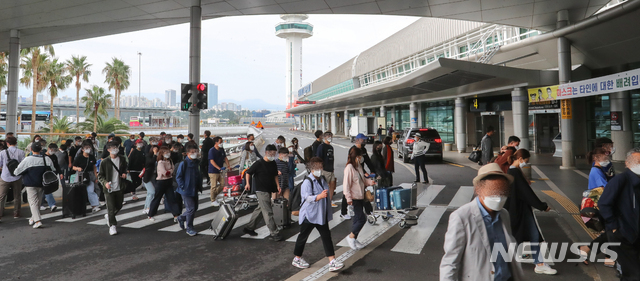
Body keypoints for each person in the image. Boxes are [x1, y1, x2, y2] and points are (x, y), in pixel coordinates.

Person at [440, 163, 524, 280]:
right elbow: (450, 263)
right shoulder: (461, 217)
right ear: (478, 190)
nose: (498, 197)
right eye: (493, 191)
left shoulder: (504, 214)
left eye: (502, 192)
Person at [504, 149, 556, 275]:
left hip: (518, 209)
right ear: (520, 159)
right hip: (518, 210)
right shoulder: (515, 173)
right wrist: (542, 206)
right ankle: (504, 262)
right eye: (526, 161)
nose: (526, 164)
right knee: (521, 236)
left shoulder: (513, 171)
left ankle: (539, 263)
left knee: (529, 234)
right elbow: (527, 193)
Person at [291, 156, 344, 272]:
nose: (319, 169)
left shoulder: (322, 179)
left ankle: (332, 261)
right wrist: (319, 197)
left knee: (326, 237)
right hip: (309, 215)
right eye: (317, 167)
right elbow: (307, 197)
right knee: (303, 236)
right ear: (311, 168)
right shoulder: (307, 182)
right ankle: (297, 258)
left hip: (320, 215)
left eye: (321, 167)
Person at [599, 148, 640, 280]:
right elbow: (604, 203)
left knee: (630, 272)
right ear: (627, 163)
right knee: (634, 274)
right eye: (638, 161)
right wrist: (615, 227)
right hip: (623, 233)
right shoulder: (621, 180)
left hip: (635, 234)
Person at [579, 147, 616, 267]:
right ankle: (587, 248)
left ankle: (608, 257)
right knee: (611, 231)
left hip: (602, 205)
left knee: (610, 231)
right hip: (601, 206)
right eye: (605, 157)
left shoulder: (599, 169)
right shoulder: (596, 171)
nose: (607, 159)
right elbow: (606, 189)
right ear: (596, 158)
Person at [243, 144, 282, 241]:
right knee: (268, 212)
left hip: (269, 188)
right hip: (261, 190)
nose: (273, 156)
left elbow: (275, 175)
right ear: (266, 153)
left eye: (274, 154)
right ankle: (274, 233)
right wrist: (247, 183)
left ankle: (249, 228)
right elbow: (248, 173)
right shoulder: (258, 163)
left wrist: (278, 186)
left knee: (260, 209)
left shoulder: (273, 163)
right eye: (272, 154)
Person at [13, 142, 56, 229]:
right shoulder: (46, 159)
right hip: (42, 184)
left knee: (33, 203)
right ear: (41, 149)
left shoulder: (27, 160)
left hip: (30, 184)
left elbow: (16, 172)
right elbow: (53, 170)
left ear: (31, 150)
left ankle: (38, 221)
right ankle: (33, 218)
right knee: (38, 203)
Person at [343, 147, 375, 250]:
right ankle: (351, 237)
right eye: (360, 156)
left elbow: (362, 180)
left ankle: (354, 239)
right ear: (356, 157)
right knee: (362, 218)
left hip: (361, 196)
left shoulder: (358, 167)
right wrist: (348, 198)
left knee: (357, 219)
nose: (361, 158)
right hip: (354, 197)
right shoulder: (349, 168)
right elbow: (346, 185)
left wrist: (370, 182)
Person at [96, 142, 127, 235]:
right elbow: (100, 175)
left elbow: (125, 169)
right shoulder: (105, 162)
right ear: (108, 150)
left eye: (116, 147)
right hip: (109, 188)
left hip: (119, 186)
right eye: (113, 148)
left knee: (119, 205)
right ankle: (112, 225)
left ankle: (109, 216)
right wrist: (105, 183)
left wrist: (124, 174)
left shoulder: (122, 159)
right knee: (110, 207)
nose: (115, 149)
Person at [343, 133, 375, 217]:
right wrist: (364, 172)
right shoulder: (353, 150)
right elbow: (351, 162)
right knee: (346, 191)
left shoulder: (363, 150)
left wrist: (372, 171)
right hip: (354, 173)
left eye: (364, 140)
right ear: (357, 140)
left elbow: (368, 161)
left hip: (360, 173)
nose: (364, 141)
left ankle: (369, 210)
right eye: (362, 140)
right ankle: (343, 212)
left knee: (363, 191)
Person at [175, 144, 202, 236]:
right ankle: (189, 227)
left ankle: (181, 218)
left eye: (196, 151)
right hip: (186, 190)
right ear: (187, 154)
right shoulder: (184, 163)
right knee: (191, 209)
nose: (195, 153)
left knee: (195, 208)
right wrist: (183, 187)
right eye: (192, 152)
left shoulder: (196, 163)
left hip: (194, 189)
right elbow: (178, 177)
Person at [147, 147, 181, 221]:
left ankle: (176, 214)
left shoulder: (170, 161)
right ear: (162, 154)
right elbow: (165, 172)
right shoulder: (160, 162)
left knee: (172, 198)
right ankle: (150, 214)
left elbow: (173, 170)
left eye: (168, 152)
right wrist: (169, 172)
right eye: (165, 152)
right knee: (157, 198)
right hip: (161, 182)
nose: (168, 154)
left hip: (169, 181)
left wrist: (169, 172)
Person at [0, 136, 25, 221]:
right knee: (17, 195)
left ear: (7, 143)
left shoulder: (3, 152)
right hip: (17, 177)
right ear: (16, 143)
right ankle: (16, 213)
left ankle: (0, 213)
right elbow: (23, 165)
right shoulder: (21, 152)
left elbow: (0, 164)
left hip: (5, 177)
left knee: (1, 196)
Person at [73, 142, 101, 213]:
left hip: (90, 175)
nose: (88, 150)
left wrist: (96, 176)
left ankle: (94, 206)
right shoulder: (79, 157)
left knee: (91, 191)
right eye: (86, 148)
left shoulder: (92, 157)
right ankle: (78, 207)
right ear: (82, 149)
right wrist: (78, 168)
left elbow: (94, 167)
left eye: (89, 148)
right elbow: (73, 167)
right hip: (81, 175)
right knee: (79, 191)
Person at [316, 131, 337, 209]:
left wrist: (333, 168)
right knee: (324, 186)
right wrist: (320, 168)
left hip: (331, 169)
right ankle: (323, 201)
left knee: (332, 185)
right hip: (324, 170)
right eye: (328, 136)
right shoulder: (322, 146)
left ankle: (330, 200)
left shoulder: (331, 147)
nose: (330, 137)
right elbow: (319, 158)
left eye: (331, 136)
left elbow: (332, 158)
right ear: (324, 137)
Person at [208, 136, 229, 207]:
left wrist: (228, 165)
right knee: (213, 186)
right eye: (220, 142)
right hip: (213, 171)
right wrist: (218, 168)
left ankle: (214, 195)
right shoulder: (211, 150)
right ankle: (213, 200)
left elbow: (225, 158)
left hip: (220, 171)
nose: (221, 143)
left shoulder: (221, 149)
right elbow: (212, 161)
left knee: (223, 184)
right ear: (216, 143)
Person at [41, 143, 63, 211]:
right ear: (48, 148)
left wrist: (60, 173)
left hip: (52, 174)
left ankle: (40, 204)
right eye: (52, 149)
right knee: (48, 189)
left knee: (44, 190)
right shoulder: (42, 156)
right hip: (44, 175)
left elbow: (57, 165)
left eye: (55, 150)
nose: (53, 151)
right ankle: (52, 204)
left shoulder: (54, 157)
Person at [142, 144, 159, 214]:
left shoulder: (158, 157)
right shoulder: (148, 156)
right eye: (155, 150)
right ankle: (148, 207)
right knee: (152, 192)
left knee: (149, 193)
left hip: (154, 177)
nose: (156, 151)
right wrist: (155, 154)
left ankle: (146, 208)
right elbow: (150, 162)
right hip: (147, 177)